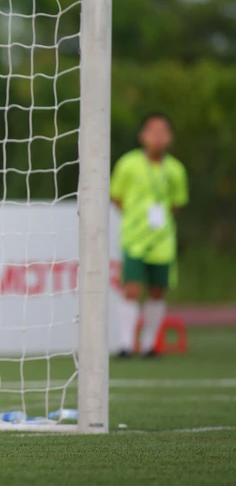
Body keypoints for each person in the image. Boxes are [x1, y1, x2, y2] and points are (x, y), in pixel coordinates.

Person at [110, 112, 188, 358]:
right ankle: (124, 344)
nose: (157, 138)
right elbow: (116, 197)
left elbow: (176, 203)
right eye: (152, 131)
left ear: (170, 137)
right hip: (134, 239)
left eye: (162, 132)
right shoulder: (128, 164)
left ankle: (149, 344)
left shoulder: (175, 169)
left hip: (162, 241)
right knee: (131, 289)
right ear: (142, 135)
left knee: (157, 291)